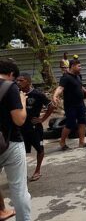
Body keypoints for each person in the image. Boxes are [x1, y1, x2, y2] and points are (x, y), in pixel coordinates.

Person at [0, 60, 31, 221]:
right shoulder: (10, 87)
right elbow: (19, 120)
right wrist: (23, 102)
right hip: (10, 142)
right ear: (11, 74)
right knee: (19, 189)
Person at [17, 73, 55, 182]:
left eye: (21, 80)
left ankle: (37, 170)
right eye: (18, 80)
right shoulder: (16, 93)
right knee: (20, 151)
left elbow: (51, 106)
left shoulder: (37, 94)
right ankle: (22, 174)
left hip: (34, 127)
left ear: (28, 82)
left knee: (40, 148)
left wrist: (42, 119)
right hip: (20, 127)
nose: (18, 82)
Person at [53, 59, 86, 150]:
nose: (80, 68)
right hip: (70, 105)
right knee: (70, 124)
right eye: (79, 66)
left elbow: (79, 85)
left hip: (80, 104)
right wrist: (55, 96)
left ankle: (81, 142)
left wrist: (85, 90)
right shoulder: (65, 77)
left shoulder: (78, 76)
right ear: (73, 66)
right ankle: (62, 142)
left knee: (82, 122)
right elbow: (60, 88)